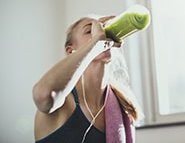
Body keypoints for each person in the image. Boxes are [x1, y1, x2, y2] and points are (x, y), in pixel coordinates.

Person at [32, 14, 143, 143]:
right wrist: (95, 43)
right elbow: (43, 94)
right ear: (70, 51)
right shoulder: (63, 100)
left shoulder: (122, 106)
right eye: (90, 31)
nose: (102, 33)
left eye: (103, 29)